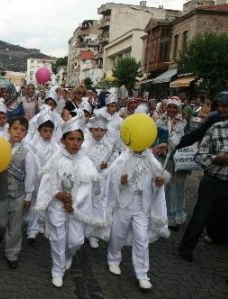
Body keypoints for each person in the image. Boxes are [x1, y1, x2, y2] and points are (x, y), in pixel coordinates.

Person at [34, 115, 103, 288]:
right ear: (62, 140)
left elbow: (89, 189)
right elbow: (46, 183)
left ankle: (68, 255)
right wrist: (58, 194)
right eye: (71, 139)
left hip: (76, 208)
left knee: (76, 241)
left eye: (79, 139)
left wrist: (74, 201)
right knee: (58, 238)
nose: (75, 143)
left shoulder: (86, 163)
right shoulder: (56, 159)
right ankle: (57, 270)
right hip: (57, 207)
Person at [105, 147, 169, 290]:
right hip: (123, 204)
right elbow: (111, 183)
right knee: (118, 233)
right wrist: (121, 182)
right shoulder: (122, 159)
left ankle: (142, 274)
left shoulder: (152, 161)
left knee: (141, 238)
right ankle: (113, 258)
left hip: (142, 205)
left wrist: (158, 183)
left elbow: (156, 183)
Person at [179, 117, 228, 262]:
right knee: (201, 216)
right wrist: (218, 159)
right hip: (213, 181)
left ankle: (217, 237)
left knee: (222, 219)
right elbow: (200, 156)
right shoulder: (217, 128)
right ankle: (186, 247)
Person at [0, 116, 35, 269]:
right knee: (0, 223)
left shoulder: (27, 153)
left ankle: (12, 254)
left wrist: (28, 196)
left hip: (18, 194)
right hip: (1, 193)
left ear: (26, 133)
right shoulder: (0, 147)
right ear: (9, 129)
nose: (18, 132)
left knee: (15, 227)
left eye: (22, 130)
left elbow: (30, 175)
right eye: (15, 129)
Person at [81, 116, 118, 249]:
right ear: (91, 130)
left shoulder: (109, 147)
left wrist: (107, 167)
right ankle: (81, 230)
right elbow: (81, 164)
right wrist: (96, 168)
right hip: (87, 181)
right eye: (96, 129)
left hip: (102, 183)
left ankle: (93, 233)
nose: (99, 133)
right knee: (85, 204)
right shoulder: (84, 145)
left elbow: (114, 164)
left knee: (98, 205)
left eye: (102, 130)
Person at [152, 97, 188, 230]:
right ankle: (162, 216)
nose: (172, 110)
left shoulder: (184, 122)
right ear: (165, 107)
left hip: (178, 161)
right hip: (163, 159)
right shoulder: (160, 121)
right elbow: (152, 137)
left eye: (174, 107)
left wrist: (178, 142)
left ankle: (175, 218)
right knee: (163, 188)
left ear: (178, 109)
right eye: (169, 107)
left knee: (177, 188)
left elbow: (188, 139)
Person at [25, 109, 60, 242]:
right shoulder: (31, 145)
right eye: (45, 131)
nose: (48, 134)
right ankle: (32, 230)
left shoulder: (56, 147)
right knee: (34, 202)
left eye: (50, 131)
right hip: (35, 179)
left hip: (49, 179)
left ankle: (46, 225)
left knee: (49, 202)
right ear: (39, 131)